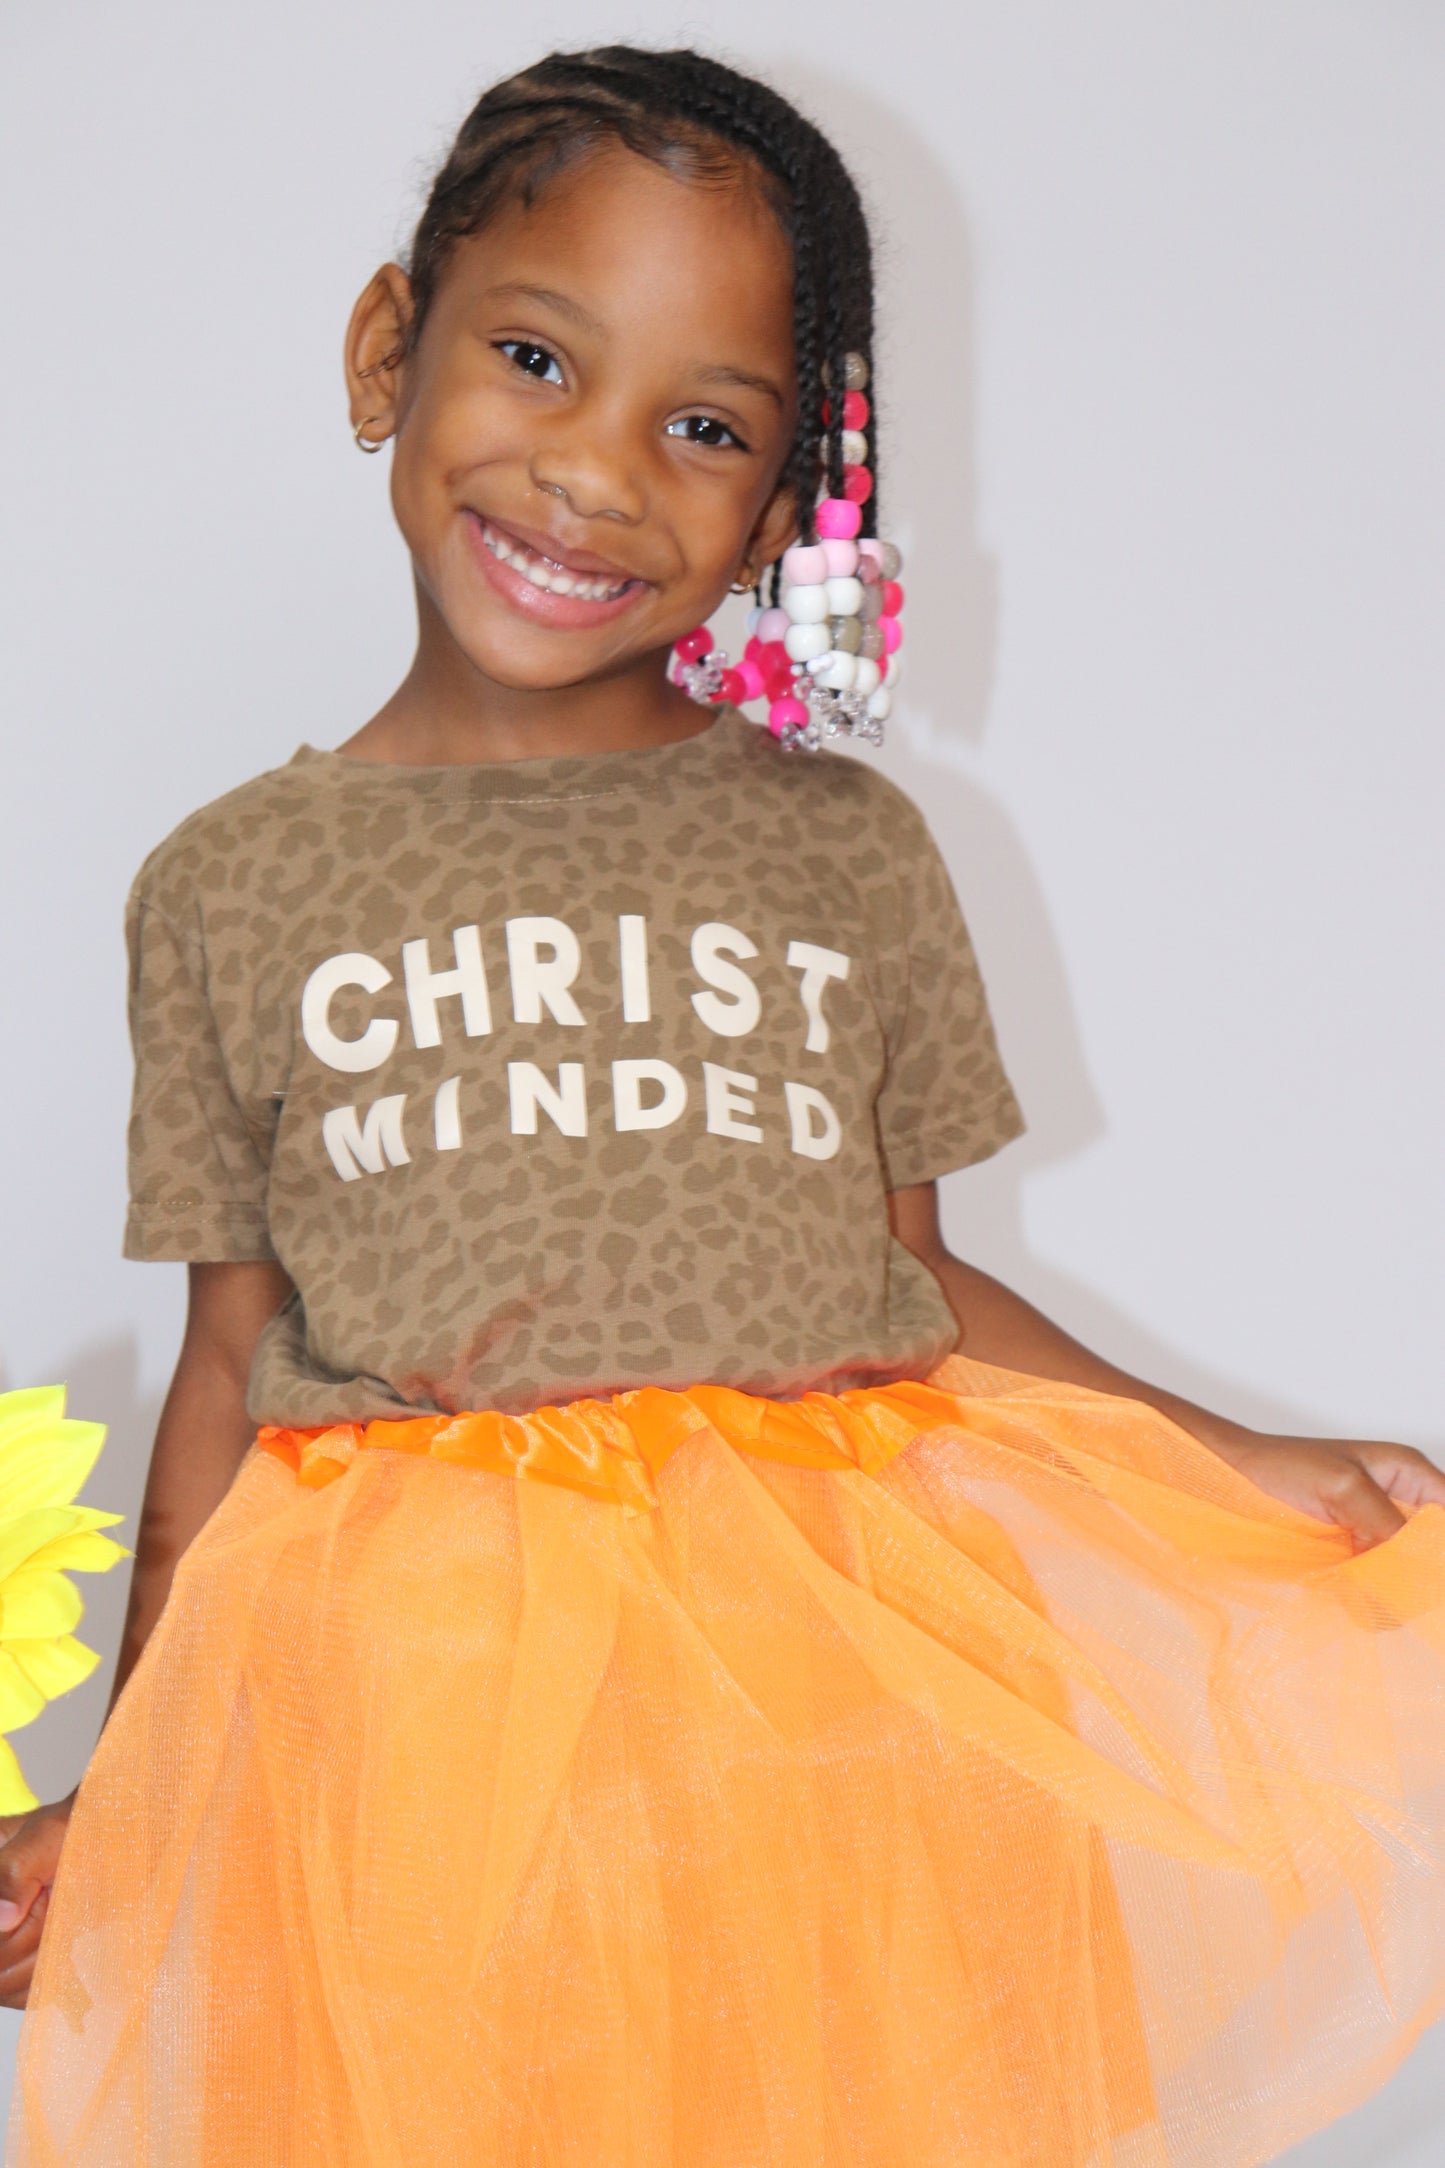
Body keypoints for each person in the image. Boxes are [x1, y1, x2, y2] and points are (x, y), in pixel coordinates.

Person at [4, 45, 1443, 2167]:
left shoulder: (844, 848)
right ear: (386, 349)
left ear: (780, 513)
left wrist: (1223, 1454)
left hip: (812, 1728)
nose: (594, 476)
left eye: (703, 428)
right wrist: (126, 1775)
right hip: (407, 1734)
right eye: (531, 355)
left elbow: (916, 1287)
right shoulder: (228, 879)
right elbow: (232, 1355)